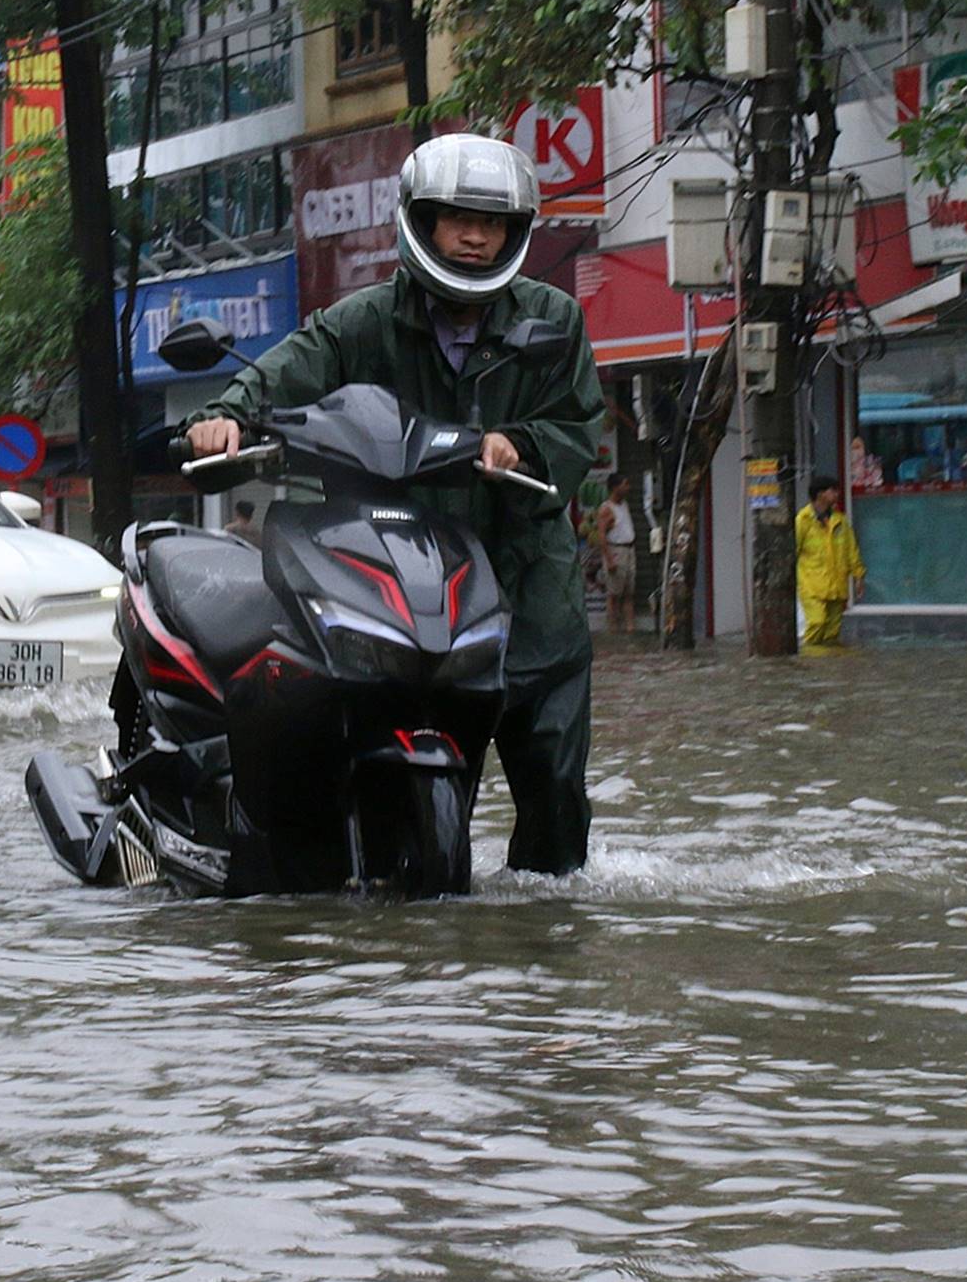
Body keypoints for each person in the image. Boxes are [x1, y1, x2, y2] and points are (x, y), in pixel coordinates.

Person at [184, 132, 604, 875]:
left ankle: (550, 934)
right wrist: (227, 416)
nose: (475, 236)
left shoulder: (554, 320)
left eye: (494, 222)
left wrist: (521, 445)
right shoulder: (362, 320)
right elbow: (285, 371)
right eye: (455, 217)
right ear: (421, 219)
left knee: (553, 777)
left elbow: (577, 427)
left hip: (525, 571)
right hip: (402, 564)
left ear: (516, 232)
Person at [795, 475, 865, 648]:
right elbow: (793, 552)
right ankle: (809, 661)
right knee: (817, 623)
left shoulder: (840, 521)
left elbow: (851, 550)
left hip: (837, 586)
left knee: (832, 634)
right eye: (832, 490)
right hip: (812, 586)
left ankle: (826, 666)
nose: (837, 494)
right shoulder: (802, 521)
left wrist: (858, 576)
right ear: (820, 494)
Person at [596, 475, 638, 634]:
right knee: (614, 594)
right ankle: (612, 629)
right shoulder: (607, 509)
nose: (628, 488)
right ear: (615, 487)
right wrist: (609, 559)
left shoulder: (624, 505)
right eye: (625, 484)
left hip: (629, 550)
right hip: (616, 551)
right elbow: (601, 535)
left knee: (629, 593)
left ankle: (630, 628)